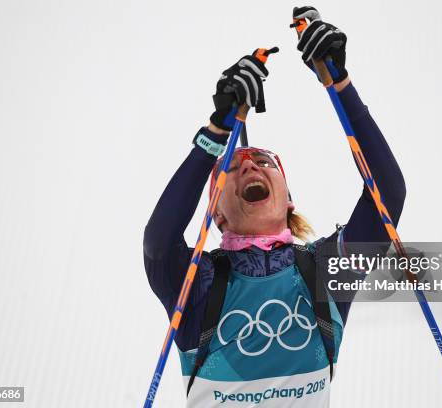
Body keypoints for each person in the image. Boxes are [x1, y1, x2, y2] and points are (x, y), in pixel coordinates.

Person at [143, 7, 406, 407]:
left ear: (289, 199)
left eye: (264, 162)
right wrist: (215, 132)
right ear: (217, 212)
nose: (249, 164)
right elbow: (159, 243)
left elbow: (386, 193)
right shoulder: (199, 285)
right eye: (231, 168)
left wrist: (340, 85)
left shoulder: (322, 271)